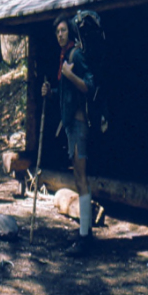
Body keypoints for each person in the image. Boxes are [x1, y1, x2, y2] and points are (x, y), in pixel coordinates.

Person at [41, 14, 95, 256]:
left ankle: (85, 238)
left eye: (63, 30)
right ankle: (84, 233)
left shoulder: (76, 55)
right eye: (57, 32)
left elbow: (88, 86)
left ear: (70, 32)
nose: (59, 34)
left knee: (81, 178)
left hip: (79, 124)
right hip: (70, 125)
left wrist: (70, 74)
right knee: (78, 177)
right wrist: (50, 92)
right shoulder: (65, 57)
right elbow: (65, 92)